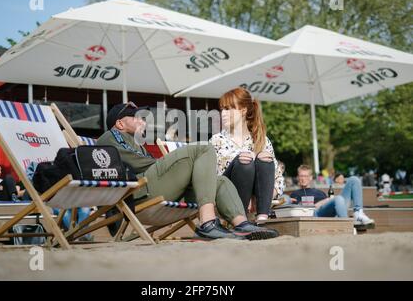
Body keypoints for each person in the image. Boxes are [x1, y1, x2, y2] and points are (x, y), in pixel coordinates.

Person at [96, 101, 279, 240]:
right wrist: (173, 165)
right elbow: (140, 165)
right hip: (142, 192)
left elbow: (145, 162)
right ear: (119, 123)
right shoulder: (110, 136)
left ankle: (242, 225)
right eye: (134, 116)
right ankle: (207, 222)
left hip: (161, 189)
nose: (140, 119)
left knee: (220, 181)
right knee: (203, 149)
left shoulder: (135, 142)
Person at [209, 87, 284, 224]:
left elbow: (278, 182)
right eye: (222, 109)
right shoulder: (216, 140)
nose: (223, 114)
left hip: (256, 202)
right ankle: (240, 221)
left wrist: (259, 196)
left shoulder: (261, 140)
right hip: (225, 198)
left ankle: (262, 220)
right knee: (244, 160)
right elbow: (211, 180)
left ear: (243, 111)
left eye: (228, 109)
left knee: (264, 158)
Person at [290, 165, 375, 226]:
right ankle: (347, 227)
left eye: (306, 176)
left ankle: (358, 213)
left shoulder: (319, 192)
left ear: (311, 177)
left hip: (331, 209)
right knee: (338, 199)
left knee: (354, 180)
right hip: (316, 214)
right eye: (301, 176)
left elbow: (329, 202)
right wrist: (315, 205)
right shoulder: (295, 194)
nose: (303, 178)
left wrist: (326, 201)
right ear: (298, 177)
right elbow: (295, 211)